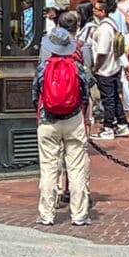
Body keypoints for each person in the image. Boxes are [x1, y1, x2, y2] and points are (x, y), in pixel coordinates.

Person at [33, 25, 92, 227]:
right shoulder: (76, 67)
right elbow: (85, 92)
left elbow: (35, 94)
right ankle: (79, 214)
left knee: (49, 168)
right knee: (75, 168)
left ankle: (46, 214)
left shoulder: (43, 67)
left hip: (48, 121)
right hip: (73, 119)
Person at [91, 0, 129, 140]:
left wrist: (96, 67)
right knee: (114, 98)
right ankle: (121, 124)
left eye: (96, 8)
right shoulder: (112, 24)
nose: (94, 10)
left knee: (108, 100)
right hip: (114, 67)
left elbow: (102, 52)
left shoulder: (105, 28)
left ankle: (108, 128)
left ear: (103, 12)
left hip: (106, 69)